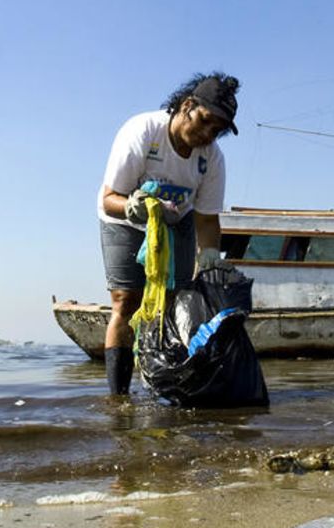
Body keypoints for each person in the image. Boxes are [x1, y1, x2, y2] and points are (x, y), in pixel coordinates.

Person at [97, 71, 240, 395]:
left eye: (217, 131)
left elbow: (206, 219)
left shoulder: (212, 159)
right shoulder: (143, 131)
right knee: (126, 300)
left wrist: (210, 261)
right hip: (126, 218)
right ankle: (118, 397)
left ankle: (164, 382)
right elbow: (109, 200)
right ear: (187, 105)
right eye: (204, 121)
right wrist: (136, 207)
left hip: (177, 221)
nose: (207, 134)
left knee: (177, 302)